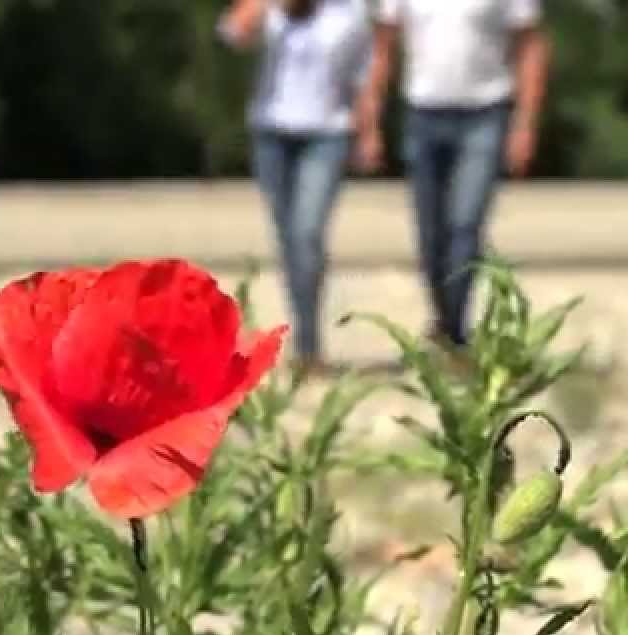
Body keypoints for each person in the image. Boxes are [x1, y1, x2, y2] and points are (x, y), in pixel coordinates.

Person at [354, 0, 550, 356]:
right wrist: (370, 123)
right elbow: (382, 49)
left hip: (485, 113)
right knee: (430, 234)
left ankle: (455, 331)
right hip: (422, 114)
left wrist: (525, 125)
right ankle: (444, 320)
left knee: (465, 225)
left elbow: (530, 47)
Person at [218, 0, 371, 376]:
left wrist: (369, 131)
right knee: (289, 241)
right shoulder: (272, 10)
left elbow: (364, 75)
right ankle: (305, 339)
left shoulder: (350, 11)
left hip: (327, 134)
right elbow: (232, 33)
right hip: (272, 134)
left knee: (307, 235)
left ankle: (309, 343)